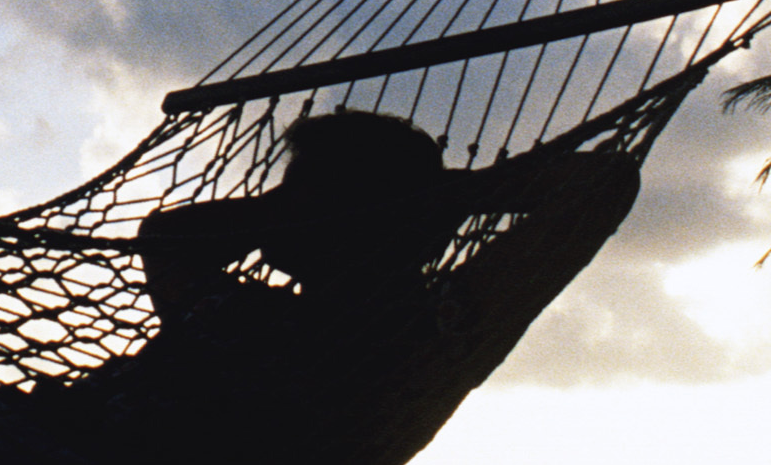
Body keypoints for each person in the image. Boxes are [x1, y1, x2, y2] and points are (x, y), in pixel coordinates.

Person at [135, 108, 552, 323]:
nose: (277, 201)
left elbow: (166, 237)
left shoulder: (419, 325)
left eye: (299, 187)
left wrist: (429, 198)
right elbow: (164, 236)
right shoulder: (259, 311)